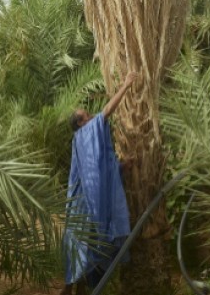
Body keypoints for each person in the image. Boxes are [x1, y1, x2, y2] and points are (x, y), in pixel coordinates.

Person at [60, 72, 136, 295]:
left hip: (86, 206)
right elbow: (107, 112)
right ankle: (69, 287)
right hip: (83, 207)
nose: (92, 116)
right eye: (87, 115)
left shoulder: (86, 142)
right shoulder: (83, 136)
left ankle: (78, 288)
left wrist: (122, 167)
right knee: (81, 245)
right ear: (81, 124)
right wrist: (126, 85)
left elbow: (100, 172)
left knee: (88, 247)